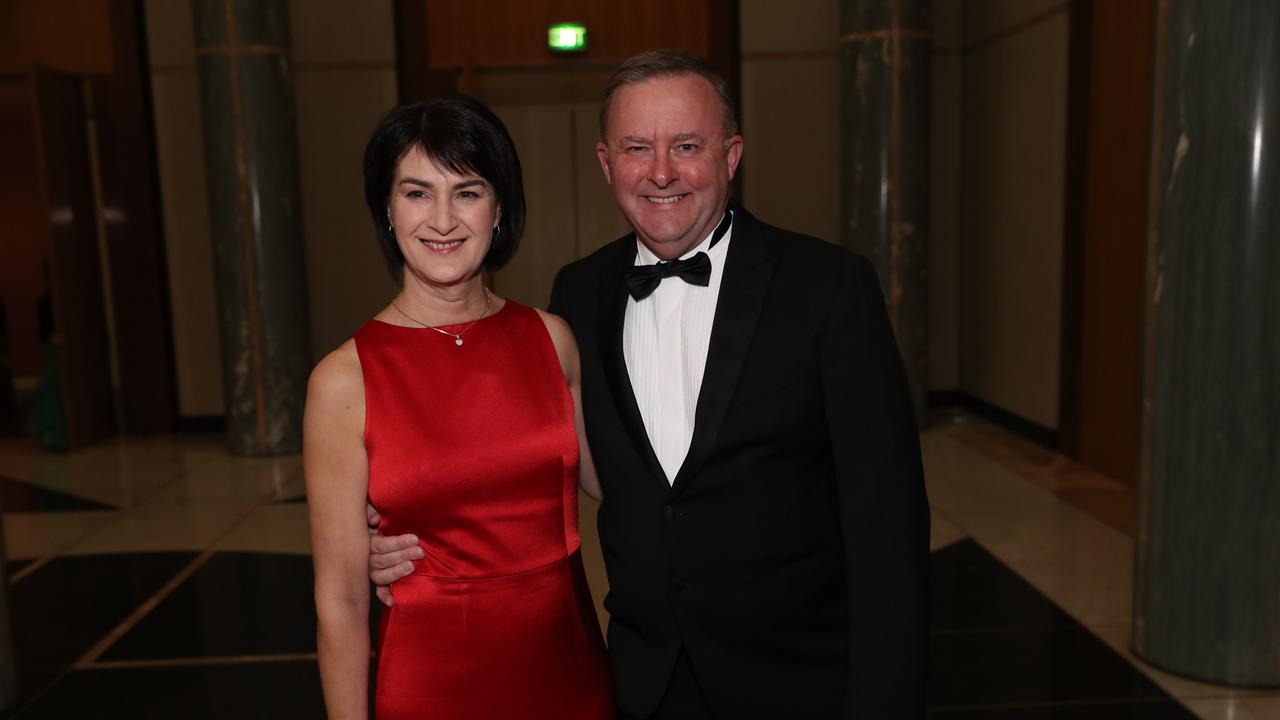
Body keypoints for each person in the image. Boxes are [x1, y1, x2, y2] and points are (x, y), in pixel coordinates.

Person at [369, 51, 929, 718]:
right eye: (638, 148)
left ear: (732, 155)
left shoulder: (828, 287)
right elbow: (530, 460)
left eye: (686, 146)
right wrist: (409, 531)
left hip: (802, 681)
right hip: (644, 684)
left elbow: (888, 527)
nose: (661, 172)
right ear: (607, 164)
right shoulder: (576, 298)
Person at [304, 95, 613, 720]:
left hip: (569, 673)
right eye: (417, 193)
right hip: (431, 686)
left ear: (499, 210)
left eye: (467, 191)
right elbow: (338, 601)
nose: (443, 219)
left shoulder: (552, 340)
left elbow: (620, 481)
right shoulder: (345, 379)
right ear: (386, 212)